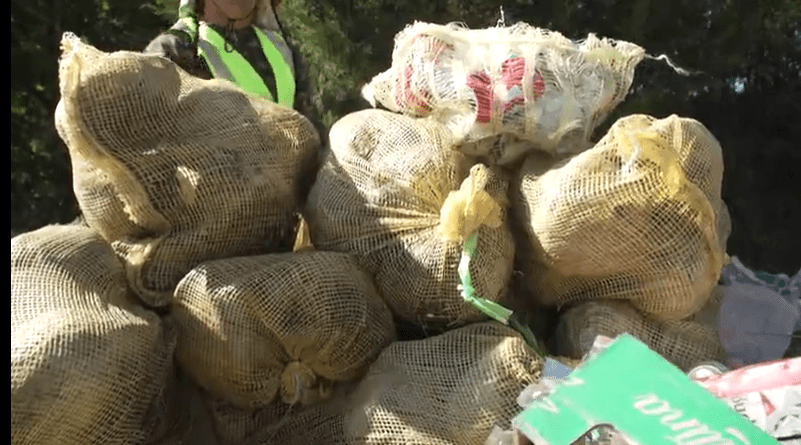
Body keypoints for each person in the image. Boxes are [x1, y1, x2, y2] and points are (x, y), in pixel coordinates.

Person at [144, 0, 326, 143]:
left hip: (291, 184)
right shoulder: (173, 50)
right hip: (217, 187)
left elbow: (312, 132)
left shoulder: (282, 48)